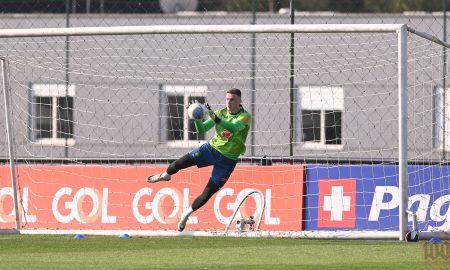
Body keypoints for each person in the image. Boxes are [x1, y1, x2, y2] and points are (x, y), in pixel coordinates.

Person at [147, 88, 252, 232]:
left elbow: (233, 128)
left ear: (240, 101)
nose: (229, 102)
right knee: (178, 164)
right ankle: (165, 176)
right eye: (227, 99)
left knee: (207, 193)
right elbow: (202, 129)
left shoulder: (245, 117)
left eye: (232, 99)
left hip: (228, 161)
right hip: (210, 150)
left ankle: (186, 214)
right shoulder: (221, 113)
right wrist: (197, 119)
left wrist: (216, 119)